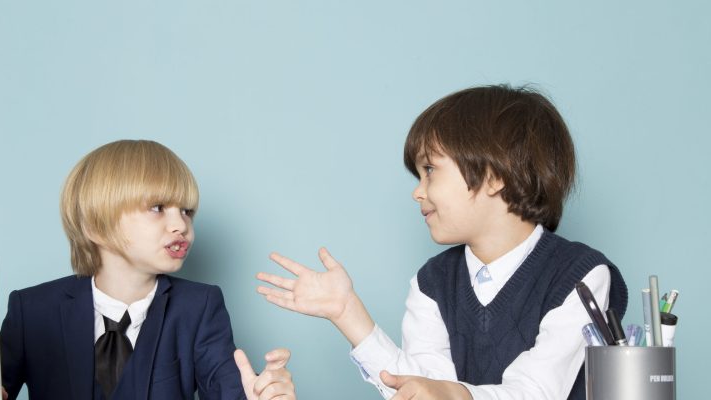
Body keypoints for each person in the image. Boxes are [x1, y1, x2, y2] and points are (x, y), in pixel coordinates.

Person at [256, 85, 628, 400]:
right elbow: (422, 386)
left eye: (430, 170)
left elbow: (535, 391)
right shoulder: (433, 281)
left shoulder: (580, 275)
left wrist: (455, 394)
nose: (418, 192)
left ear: (496, 175)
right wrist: (347, 314)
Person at [0, 139, 296, 400]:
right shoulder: (33, 311)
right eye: (157, 208)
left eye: (186, 211)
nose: (181, 225)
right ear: (95, 225)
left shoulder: (199, 307)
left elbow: (228, 390)